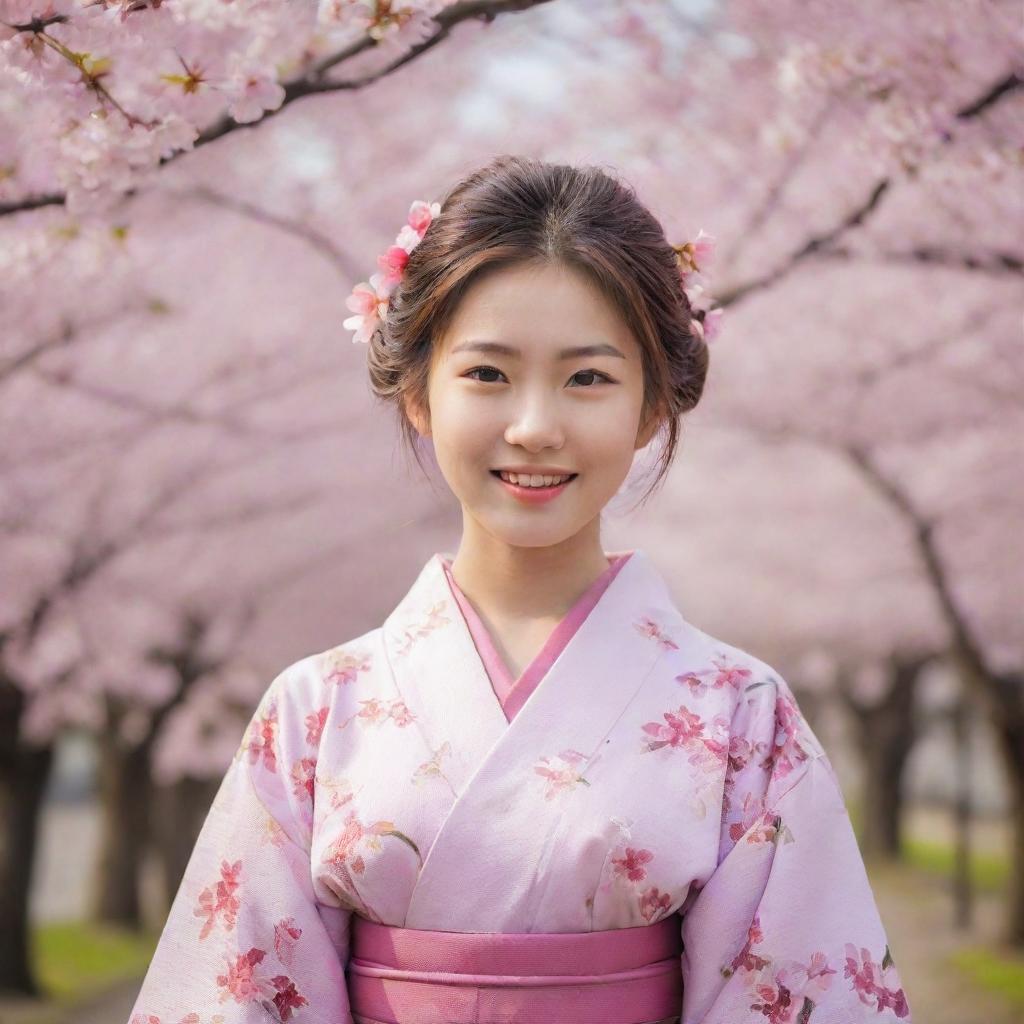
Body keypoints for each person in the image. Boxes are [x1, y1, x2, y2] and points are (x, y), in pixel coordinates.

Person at [128, 155, 911, 1023]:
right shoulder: (316, 710)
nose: (535, 427)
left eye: (588, 378)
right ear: (418, 390)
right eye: (488, 374)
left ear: (653, 405)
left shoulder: (741, 713)